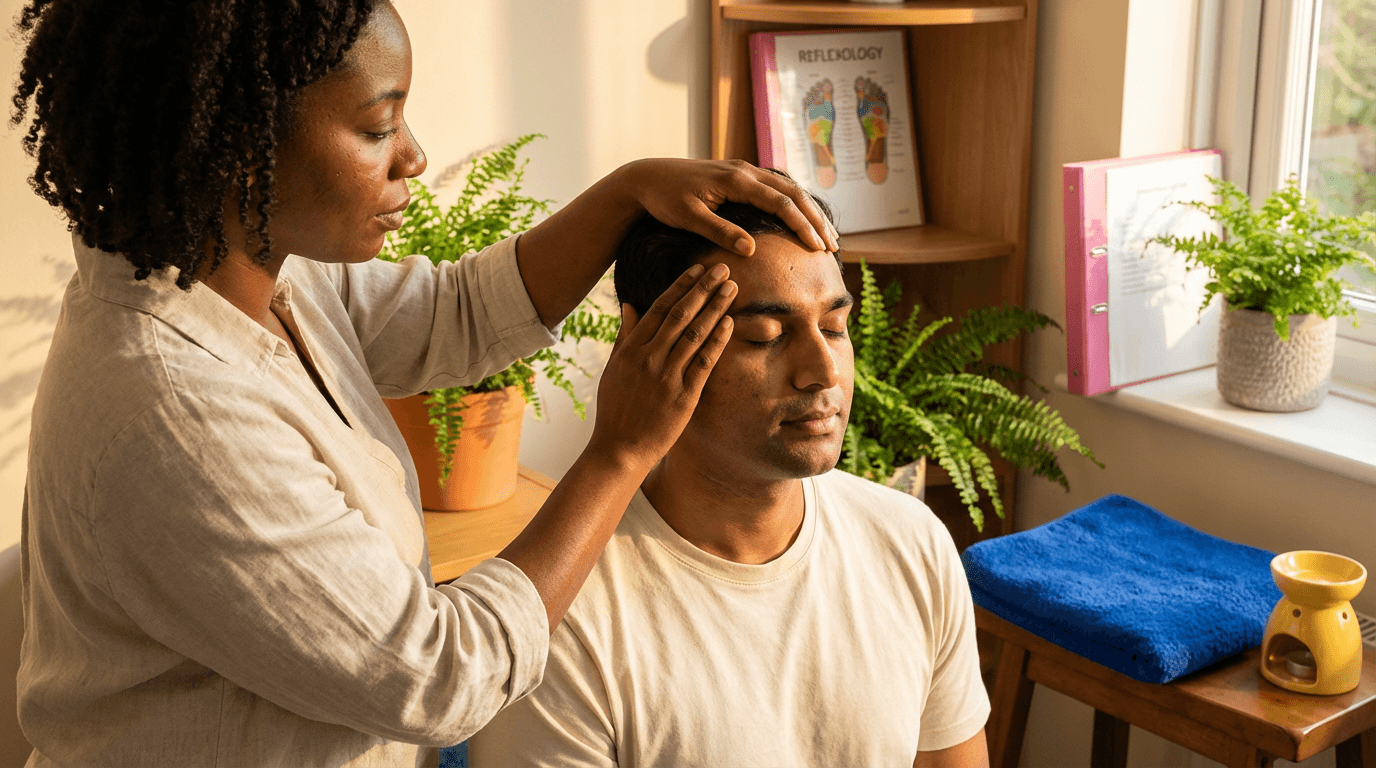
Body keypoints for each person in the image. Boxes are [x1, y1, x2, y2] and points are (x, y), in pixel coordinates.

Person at [10, 1, 841, 766]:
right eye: (379, 127)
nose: (414, 154)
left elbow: (455, 314)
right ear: (240, 147)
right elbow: (440, 676)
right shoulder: (177, 409)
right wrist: (618, 453)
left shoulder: (244, 276)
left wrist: (628, 190)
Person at [469, 194, 991, 768]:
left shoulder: (912, 543)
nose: (822, 371)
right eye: (765, 336)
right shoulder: (558, 626)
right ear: (646, 346)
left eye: (836, 327)